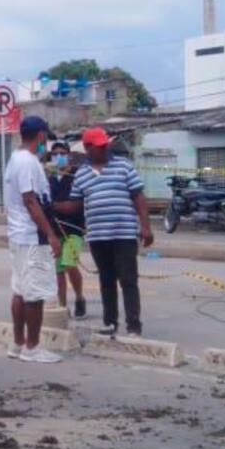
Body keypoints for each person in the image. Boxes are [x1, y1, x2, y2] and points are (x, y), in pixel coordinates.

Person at [58, 127, 153, 337]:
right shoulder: (81, 174)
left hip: (125, 234)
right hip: (98, 237)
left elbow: (138, 196)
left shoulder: (124, 166)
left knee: (128, 280)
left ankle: (133, 326)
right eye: (99, 146)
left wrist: (145, 227)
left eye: (105, 145)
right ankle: (110, 322)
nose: (104, 149)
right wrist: (51, 206)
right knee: (106, 280)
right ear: (87, 148)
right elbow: (74, 205)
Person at [2, 116, 63, 363]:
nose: (46, 142)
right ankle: (32, 347)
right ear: (39, 135)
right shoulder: (27, 162)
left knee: (19, 291)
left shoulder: (16, 158)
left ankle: (17, 344)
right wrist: (50, 234)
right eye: (45, 137)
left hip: (18, 235)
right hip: (31, 236)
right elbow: (30, 200)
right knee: (34, 294)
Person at [48, 141, 86, 318]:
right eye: (54, 154)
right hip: (55, 229)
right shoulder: (50, 178)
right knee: (58, 271)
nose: (58, 157)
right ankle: (63, 307)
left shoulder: (77, 176)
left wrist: (58, 206)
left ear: (69, 155)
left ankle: (79, 297)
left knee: (70, 264)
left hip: (74, 228)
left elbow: (76, 205)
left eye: (61, 153)